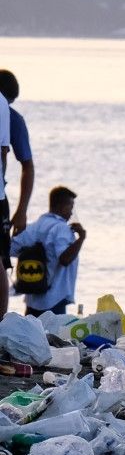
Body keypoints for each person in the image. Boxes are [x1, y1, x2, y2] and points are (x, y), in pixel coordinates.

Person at [10, 186, 85, 316]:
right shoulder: (61, 228)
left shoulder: (35, 226)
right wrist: (81, 238)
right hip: (55, 300)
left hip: (32, 297)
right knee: (52, 336)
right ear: (62, 206)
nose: (72, 213)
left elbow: (10, 248)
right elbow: (64, 259)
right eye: (70, 207)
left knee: (32, 335)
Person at [1, 71, 34, 311]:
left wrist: (22, 210)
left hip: (0, 196)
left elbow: (27, 165)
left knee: (1, 260)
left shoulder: (12, 118)